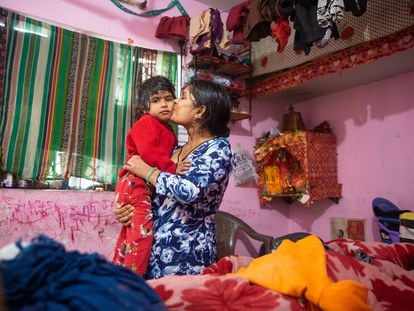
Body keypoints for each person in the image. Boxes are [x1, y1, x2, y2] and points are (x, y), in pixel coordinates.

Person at [114, 79, 234, 279]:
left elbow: (191, 191)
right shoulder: (174, 150)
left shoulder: (218, 148)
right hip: (151, 251)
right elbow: (155, 193)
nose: (174, 102)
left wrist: (148, 171)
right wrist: (127, 209)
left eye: (182, 96)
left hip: (186, 252)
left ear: (200, 111)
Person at [112, 75, 190, 275]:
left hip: (141, 182)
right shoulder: (147, 122)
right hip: (135, 182)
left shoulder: (169, 130)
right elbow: (149, 153)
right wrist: (171, 168)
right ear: (145, 108)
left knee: (132, 234)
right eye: (156, 100)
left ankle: (118, 274)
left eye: (168, 98)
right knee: (141, 236)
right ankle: (132, 280)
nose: (164, 104)